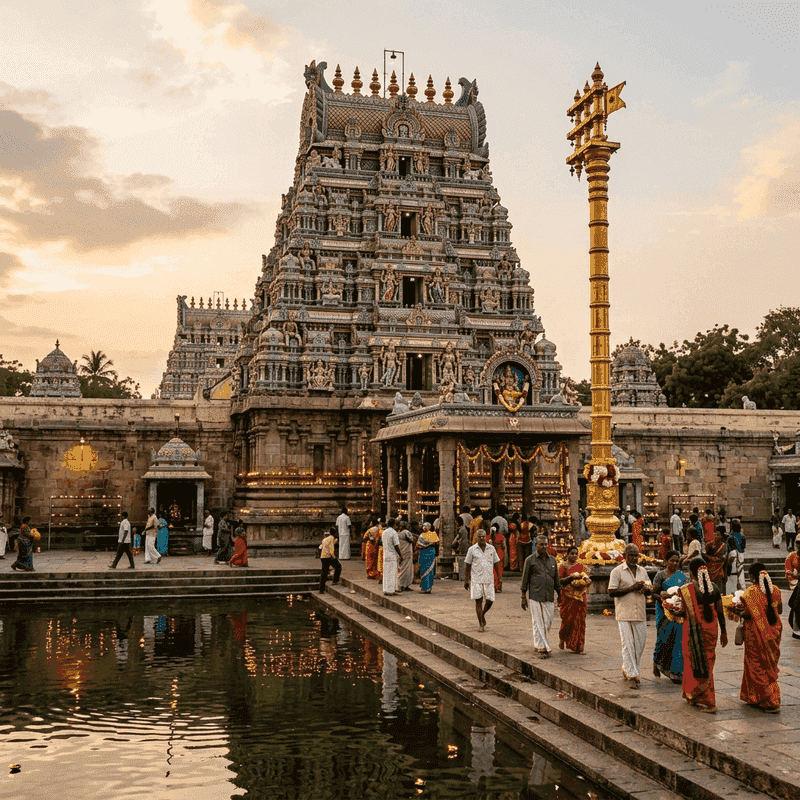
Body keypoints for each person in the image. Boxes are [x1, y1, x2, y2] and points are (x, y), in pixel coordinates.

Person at [731, 563, 782, 712]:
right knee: (769, 666)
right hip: (774, 633)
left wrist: (735, 611)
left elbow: (747, 613)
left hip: (755, 633)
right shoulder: (776, 590)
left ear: (752, 577)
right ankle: (753, 697)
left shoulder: (750, 593)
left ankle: (770, 700)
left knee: (756, 666)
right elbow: (779, 609)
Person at [679, 559, 727, 712]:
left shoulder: (687, 589)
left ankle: (708, 701)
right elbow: (720, 612)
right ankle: (695, 695)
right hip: (711, 630)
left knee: (693, 663)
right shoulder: (714, 588)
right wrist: (724, 632)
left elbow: (681, 611)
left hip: (692, 632)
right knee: (707, 663)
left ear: (691, 573)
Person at [608, 544, 652, 687]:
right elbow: (611, 592)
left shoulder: (643, 571)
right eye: (631, 555)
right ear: (625, 555)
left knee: (640, 644)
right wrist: (631, 588)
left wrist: (645, 588)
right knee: (627, 644)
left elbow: (649, 589)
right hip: (624, 613)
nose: (634, 558)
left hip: (639, 612)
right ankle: (633, 675)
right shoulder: (617, 571)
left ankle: (628, 668)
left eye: (636, 555)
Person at [520, 534, 561, 659]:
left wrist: (559, 594)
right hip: (535, 595)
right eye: (541, 544)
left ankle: (541, 644)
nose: (544, 546)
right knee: (538, 621)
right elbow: (525, 579)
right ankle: (541, 646)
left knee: (547, 622)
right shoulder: (530, 560)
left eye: (545, 544)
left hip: (549, 595)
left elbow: (556, 579)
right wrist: (523, 597)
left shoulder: (553, 560)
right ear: (536, 545)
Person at [652, 550, 686, 683]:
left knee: (677, 640)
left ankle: (675, 670)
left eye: (677, 561)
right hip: (663, 611)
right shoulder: (660, 575)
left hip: (677, 612)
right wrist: (663, 598)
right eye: (672, 560)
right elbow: (653, 593)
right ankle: (657, 662)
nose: (674, 563)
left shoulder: (682, 576)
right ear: (665, 562)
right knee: (662, 638)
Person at [464, 527, 499, 632]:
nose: (482, 539)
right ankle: (481, 624)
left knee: (490, 599)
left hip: (488, 577)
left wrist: (499, 576)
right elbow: (468, 565)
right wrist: (466, 579)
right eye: (480, 537)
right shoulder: (472, 549)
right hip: (476, 578)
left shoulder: (491, 548)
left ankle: (482, 614)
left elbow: (496, 562)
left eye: (484, 537)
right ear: (477, 538)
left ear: (486, 537)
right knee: (478, 600)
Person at [558, 546, 589, 654]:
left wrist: (585, 581)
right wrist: (570, 578)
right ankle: (563, 638)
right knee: (567, 620)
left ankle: (579, 646)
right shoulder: (563, 566)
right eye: (572, 553)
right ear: (567, 554)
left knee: (580, 621)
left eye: (576, 553)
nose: (574, 555)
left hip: (580, 597)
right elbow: (559, 581)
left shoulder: (581, 566)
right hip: (568, 597)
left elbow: (587, 578)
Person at [381, 517, 403, 596]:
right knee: (392, 573)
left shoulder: (384, 532)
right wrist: (401, 555)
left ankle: (386, 589)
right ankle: (391, 590)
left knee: (386, 573)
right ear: (394, 525)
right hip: (392, 555)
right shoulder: (393, 533)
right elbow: (396, 545)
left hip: (386, 554)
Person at [704, 526, 728, 595]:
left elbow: (723, 558)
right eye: (715, 534)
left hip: (719, 568)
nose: (716, 536)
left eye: (718, 535)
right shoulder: (709, 544)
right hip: (710, 568)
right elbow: (706, 556)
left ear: (721, 536)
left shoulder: (723, 546)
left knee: (719, 587)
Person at [785, 535, 800, 640]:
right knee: (796, 607)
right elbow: (788, 570)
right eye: (798, 542)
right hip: (796, 584)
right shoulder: (791, 556)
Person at [416, 522, 439, 593]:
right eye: (423, 526)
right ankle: (425, 587)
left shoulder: (433, 534)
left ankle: (427, 588)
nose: (424, 527)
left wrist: (424, 545)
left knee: (430, 570)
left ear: (429, 527)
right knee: (423, 569)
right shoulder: (421, 535)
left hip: (429, 553)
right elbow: (418, 545)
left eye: (426, 526)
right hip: (423, 553)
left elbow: (436, 543)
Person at [726, 519, 746, 594]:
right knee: (741, 572)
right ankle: (742, 588)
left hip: (733, 553)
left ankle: (733, 590)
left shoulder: (730, 536)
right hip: (740, 554)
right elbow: (743, 546)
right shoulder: (742, 536)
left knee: (733, 573)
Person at [319, 527, 341, 593]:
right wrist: (334, 557)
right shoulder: (331, 539)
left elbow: (320, 547)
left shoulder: (325, 539)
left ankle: (321, 589)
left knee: (324, 573)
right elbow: (331, 548)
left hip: (323, 557)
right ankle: (335, 580)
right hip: (328, 557)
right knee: (338, 566)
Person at [397, 522, 415, 591]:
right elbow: (411, 540)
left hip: (405, 553)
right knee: (404, 570)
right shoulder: (405, 532)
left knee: (408, 570)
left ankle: (406, 585)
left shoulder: (401, 532)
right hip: (404, 553)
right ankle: (401, 585)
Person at [490, 524, 505, 592]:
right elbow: (504, 546)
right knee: (499, 570)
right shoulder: (501, 536)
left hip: (492, 554)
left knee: (493, 571)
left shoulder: (489, 537)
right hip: (500, 553)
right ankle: (499, 586)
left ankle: (494, 586)